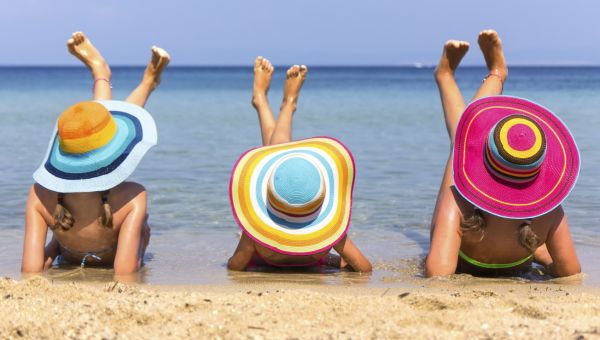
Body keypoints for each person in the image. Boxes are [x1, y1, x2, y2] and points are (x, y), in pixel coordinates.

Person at [426, 30, 581, 277]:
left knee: (463, 143)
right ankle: (492, 75)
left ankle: (464, 75)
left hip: (465, 248)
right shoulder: (550, 210)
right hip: (518, 259)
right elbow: (570, 271)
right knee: (463, 141)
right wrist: (540, 259)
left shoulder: (459, 201)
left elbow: (438, 273)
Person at [21, 32, 170, 275]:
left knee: (92, 127)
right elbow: (125, 273)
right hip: (112, 234)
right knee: (99, 126)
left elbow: (30, 270)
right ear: (115, 154)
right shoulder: (133, 197)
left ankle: (102, 74)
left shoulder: (39, 195)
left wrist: (57, 246)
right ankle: (143, 81)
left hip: (67, 250)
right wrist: (142, 244)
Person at [227, 57, 372, 272]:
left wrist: (251, 235)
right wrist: (333, 255)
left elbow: (235, 266)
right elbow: (364, 268)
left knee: (276, 157)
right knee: (278, 156)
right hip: (317, 254)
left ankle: (270, 101)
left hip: (264, 251)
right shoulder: (330, 233)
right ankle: (285, 103)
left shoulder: (255, 236)